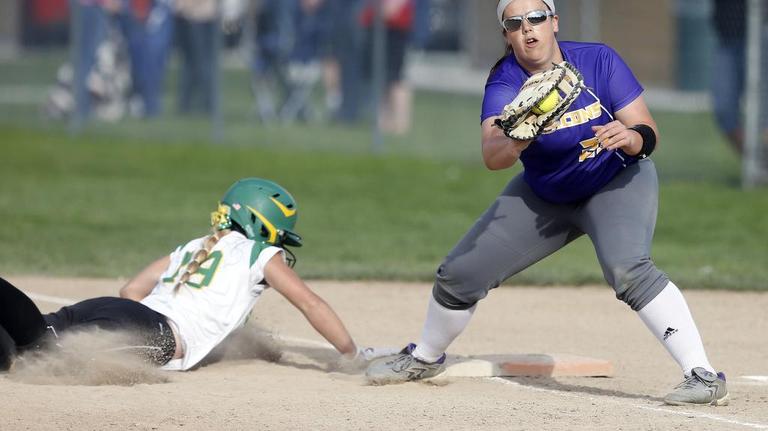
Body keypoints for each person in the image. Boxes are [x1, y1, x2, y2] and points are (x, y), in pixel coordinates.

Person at [366, 0, 729, 407]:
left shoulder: (597, 60)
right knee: (459, 274)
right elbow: (493, 155)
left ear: (554, 22)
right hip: (547, 194)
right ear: (506, 34)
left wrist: (632, 138)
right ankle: (425, 358)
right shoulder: (505, 80)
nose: (528, 28)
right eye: (515, 23)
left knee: (628, 269)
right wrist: (522, 133)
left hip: (615, 179)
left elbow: (649, 130)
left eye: (537, 17)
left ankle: (702, 375)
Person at [1, 178, 384, 372]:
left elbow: (130, 289)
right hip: (158, 333)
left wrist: (125, 316)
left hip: (121, 309)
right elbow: (309, 303)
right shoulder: (261, 254)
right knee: (41, 348)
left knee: (22, 344)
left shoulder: (195, 244)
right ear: (262, 226)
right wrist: (350, 352)